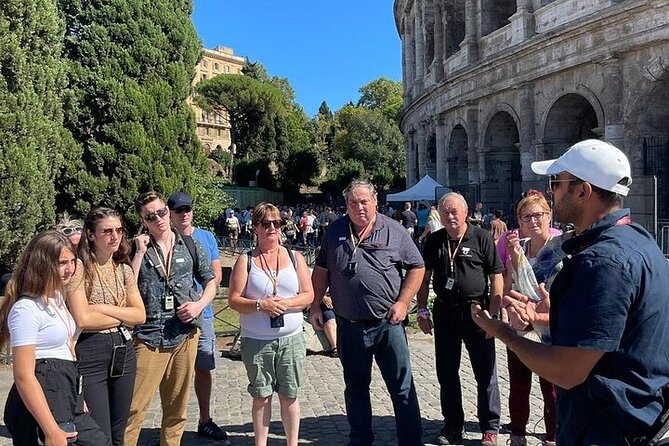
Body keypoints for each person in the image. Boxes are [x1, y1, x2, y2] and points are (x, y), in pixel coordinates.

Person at [471, 139, 669, 445]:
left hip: (609, 428)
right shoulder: (639, 239)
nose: (551, 190)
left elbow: (566, 371)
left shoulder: (602, 261)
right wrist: (553, 318)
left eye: (556, 181)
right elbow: (616, 335)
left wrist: (503, 333)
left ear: (583, 191)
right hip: (630, 421)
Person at [310, 179, 425, 446]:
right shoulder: (335, 231)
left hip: (387, 324)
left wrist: (403, 303)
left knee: (402, 387)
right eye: (353, 202)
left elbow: (417, 267)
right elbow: (322, 269)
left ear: (374, 202)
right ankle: (360, 438)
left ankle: (411, 440)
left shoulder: (393, 230)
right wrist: (315, 304)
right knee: (355, 388)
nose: (359, 207)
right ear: (346, 205)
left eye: (364, 201)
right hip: (349, 326)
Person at [124, 191, 218, 446]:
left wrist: (199, 305)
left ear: (168, 211)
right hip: (148, 337)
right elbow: (127, 289)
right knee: (134, 408)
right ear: (143, 220)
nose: (159, 219)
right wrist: (139, 254)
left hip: (184, 335)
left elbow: (211, 281)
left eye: (161, 212)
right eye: (150, 216)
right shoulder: (136, 248)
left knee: (176, 409)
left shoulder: (189, 244)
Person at [1, 230, 111, 446]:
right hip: (47, 389)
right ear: (42, 264)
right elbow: (23, 375)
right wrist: (51, 430)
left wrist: (76, 396)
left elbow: (66, 348)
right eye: (61, 263)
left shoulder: (56, 298)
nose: (69, 269)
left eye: (72, 261)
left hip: (65, 388)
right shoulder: (26, 309)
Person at [416, 192, 503, 446]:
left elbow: (496, 277)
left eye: (455, 211)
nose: (450, 216)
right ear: (439, 215)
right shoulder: (434, 240)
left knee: (485, 371)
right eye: (445, 212)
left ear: (465, 213)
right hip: (444, 311)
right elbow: (424, 277)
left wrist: (494, 315)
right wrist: (421, 310)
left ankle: (490, 427)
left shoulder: (481, 237)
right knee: (447, 371)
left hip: (476, 312)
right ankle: (453, 424)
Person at [228, 202, 314, 446]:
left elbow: (308, 295)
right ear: (255, 227)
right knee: (261, 397)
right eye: (266, 224)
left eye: (277, 223)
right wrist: (259, 305)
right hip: (257, 340)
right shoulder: (246, 261)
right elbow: (234, 300)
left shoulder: (295, 257)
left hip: (291, 338)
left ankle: (292, 443)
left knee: (289, 395)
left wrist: (285, 303)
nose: (272, 228)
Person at [66, 207, 146, 445]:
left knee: (120, 430)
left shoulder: (123, 269)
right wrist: (123, 315)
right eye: (107, 231)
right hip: (90, 351)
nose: (115, 236)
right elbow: (83, 319)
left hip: (123, 348)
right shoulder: (79, 268)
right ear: (91, 235)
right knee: (99, 433)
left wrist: (101, 308)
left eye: (119, 230)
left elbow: (140, 314)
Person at [167, 192, 229, 442]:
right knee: (171, 372)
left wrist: (199, 302)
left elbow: (216, 276)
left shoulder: (206, 237)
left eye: (188, 209)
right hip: (171, 317)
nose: (184, 214)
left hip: (202, 314)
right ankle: (170, 424)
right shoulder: (164, 239)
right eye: (179, 210)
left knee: (203, 367)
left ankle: (205, 419)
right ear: (170, 214)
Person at [499, 192, 558, 446]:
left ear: (549, 217)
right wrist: (512, 309)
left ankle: (553, 437)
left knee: (552, 388)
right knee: (519, 384)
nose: (533, 221)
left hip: (550, 328)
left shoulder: (559, 250)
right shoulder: (518, 249)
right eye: (527, 217)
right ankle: (518, 435)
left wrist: (535, 310)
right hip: (520, 325)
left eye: (538, 215)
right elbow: (508, 286)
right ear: (519, 221)